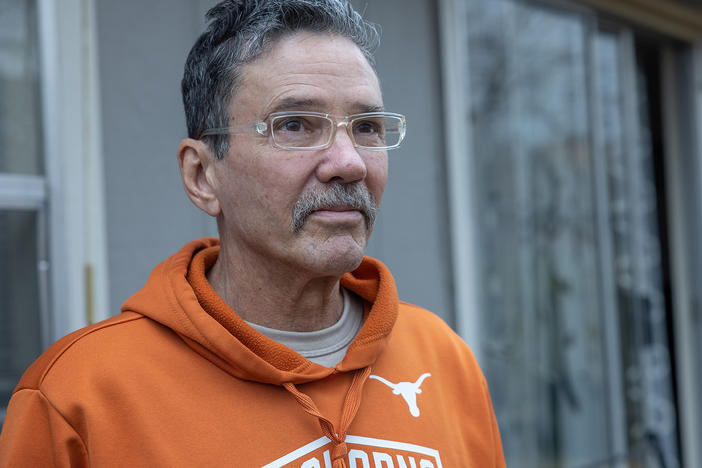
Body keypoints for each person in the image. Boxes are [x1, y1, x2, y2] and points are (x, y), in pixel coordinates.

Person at [0, 1, 505, 466]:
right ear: (202, 176)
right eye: (294, 125)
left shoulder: (443, 360)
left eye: (367, 127)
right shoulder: (80, 398)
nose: (349, 163)